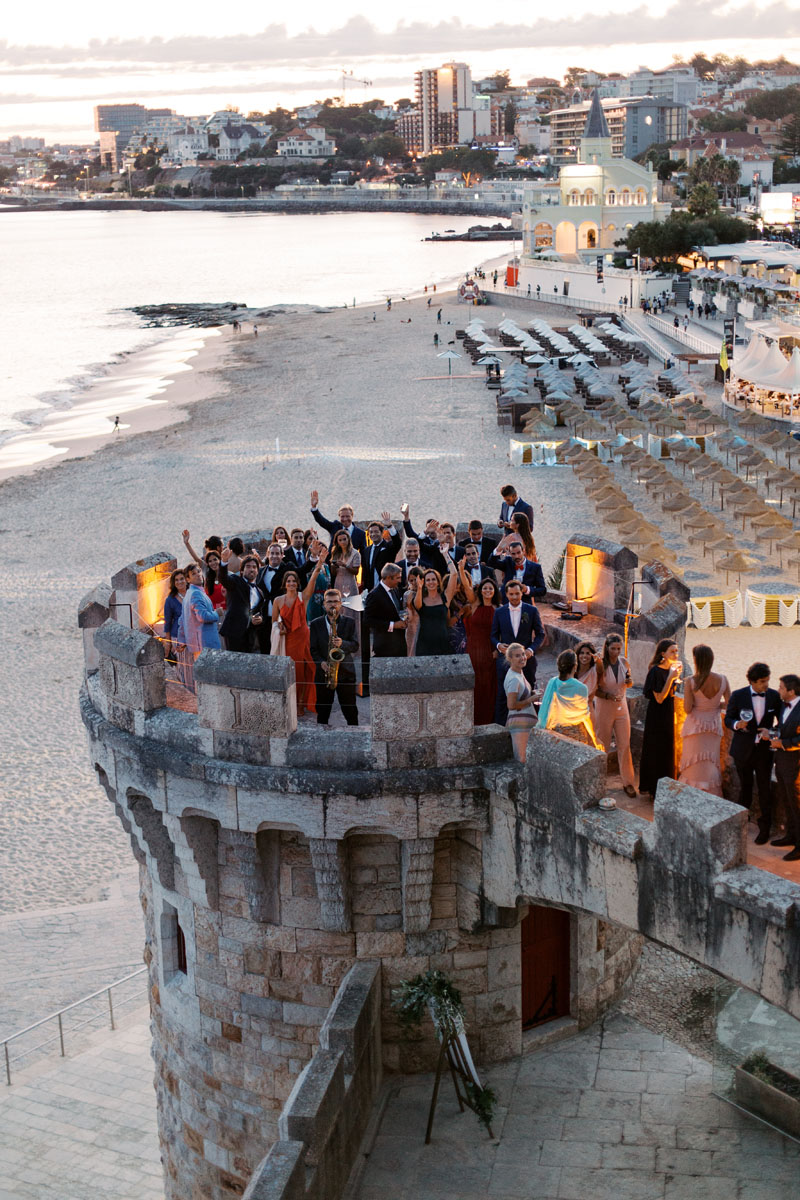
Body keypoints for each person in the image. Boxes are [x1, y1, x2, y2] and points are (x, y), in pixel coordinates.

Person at [724, 662, 781, 842]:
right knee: (745, 788)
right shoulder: (738, 695)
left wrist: (770, 733)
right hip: (743, 750)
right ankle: (741, 822)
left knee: (765, 789)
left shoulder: (774, 696)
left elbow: (782, 723)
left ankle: (765, 828)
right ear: (753, 681)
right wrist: (736, 724)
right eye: (763, 681)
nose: (766, 684)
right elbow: (728, 719)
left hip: (764, 752)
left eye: (767, 681)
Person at [272, 556, 327, 716]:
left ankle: (301, 704)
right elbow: (274, 621)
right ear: (284, 583)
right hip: (288, 640)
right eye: (288, 581)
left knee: (305, 671)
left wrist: (319, 564)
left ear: (297, 583)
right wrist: (279, 626)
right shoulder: (278, 601)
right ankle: (290, 703)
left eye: (294, 581)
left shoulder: (304, 596)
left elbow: (313, 579)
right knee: (291, 672)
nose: (291, 584)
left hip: (303, 639)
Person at [679, 644, 730, 798]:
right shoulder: (723, 679)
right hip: (714, 726)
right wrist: (714, 705)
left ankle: (691, 795)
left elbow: (687, 709)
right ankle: (710, 794)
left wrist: (701, 705)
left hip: (695, 726)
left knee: (693, 762)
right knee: (710, 761)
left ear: (696, 661)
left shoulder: (691, 681)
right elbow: (729, 703)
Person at [491, 580, 545, 725]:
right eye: (511, 594)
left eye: (517, 594)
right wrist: (498, 645)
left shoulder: (531, 610)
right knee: (503, 694)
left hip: (526, 660)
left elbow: (540, 634)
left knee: (529, 692)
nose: (514, 597)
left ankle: (532, 726)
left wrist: (530, 650)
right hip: (505, 661)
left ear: (521, 593)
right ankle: (501, 727)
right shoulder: (499, 612)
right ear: (506, 594)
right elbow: (493, 635)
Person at [593, 633, 637, 798]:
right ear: (607, 647)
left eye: (619, 648)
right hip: (604, 708)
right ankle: (598, 781)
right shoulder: (600, 665)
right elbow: (594, 689)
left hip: (622, 707)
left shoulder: (624, 662)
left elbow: (629, 682)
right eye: (613, 649)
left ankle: (628, 782)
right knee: (602, 745)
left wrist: (629, 682)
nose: (616, 652)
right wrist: (608, 696)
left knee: (624, 745)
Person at [309, 589, 359, 726]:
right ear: (324, 604)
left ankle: (355, 738)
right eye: (329, 602)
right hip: (324, 674)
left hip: (346, 673)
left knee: (350, 711)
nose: (333, 605)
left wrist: (343, 643)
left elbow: (355, 645)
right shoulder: (315, 624)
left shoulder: (350, 622)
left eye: (336, 602)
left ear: (341, 604)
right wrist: (321, 663)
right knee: (323, 711)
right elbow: (312, 649)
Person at [639, 639, 682, 797]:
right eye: (672, 651)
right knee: (656, 749)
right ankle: (653, 789)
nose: (676, 654)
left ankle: (666, 787)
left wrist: (674, 676)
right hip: (657, 714)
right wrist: (671, 677)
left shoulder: (672, 669)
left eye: (677, 651)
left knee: (668, 748)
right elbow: (659, 698)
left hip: (669, 712)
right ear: (663, 654)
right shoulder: (655, 671)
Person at [460, 567, 500, 725]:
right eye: (485, 588)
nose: (488, 590)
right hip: (473, 651)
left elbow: (500, 632)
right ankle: (473, 719)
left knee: (488, 685)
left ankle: (488, 720)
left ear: (494, 591)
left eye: (490, 588)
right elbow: (466, 586)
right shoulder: (474, 604)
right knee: (474, 684)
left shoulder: (498, 608)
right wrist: (461, 569)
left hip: (489, 652)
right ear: (481, 590)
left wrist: (497, 649)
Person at [537, 650, 601, 748]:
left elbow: (546, 709)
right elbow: (585, 717)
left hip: (557, 733)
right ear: (575, 666)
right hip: (577, 733)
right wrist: (594, 737)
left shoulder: (552, 682)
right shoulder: (581, 687)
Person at [768, 674, 800, 860]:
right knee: (787, 802)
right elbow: (782, 726)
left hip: (795, 766)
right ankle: (790, 835)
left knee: (796, 806)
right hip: (780, 762)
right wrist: (771, 733)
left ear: (791, 691)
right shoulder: (783, 705)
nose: (778, 690)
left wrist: (783, 744)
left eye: (781, 687)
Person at [218, 555, 266, 654]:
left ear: (258, 571)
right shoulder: (235, 581)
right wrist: (223, 563)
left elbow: (258, 612)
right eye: (248, 566)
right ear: (242, 570)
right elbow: (223, 578)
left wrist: (260, 619)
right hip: (234, 632)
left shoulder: (259, 592)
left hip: (250, 635)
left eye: (254, 567)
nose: (251, 569)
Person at [182, 563, 222, 675]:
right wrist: (217, 613)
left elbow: (182, 619)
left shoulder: (190, 593)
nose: (198, 575)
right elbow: (202, 616)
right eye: (193, 574)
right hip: (205, 644)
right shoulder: (196, 594)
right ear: (188, 579)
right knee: (210, 675)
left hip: (198, 643)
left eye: (199, 571)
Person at [413, 562, 459, 656]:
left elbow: (454, 574)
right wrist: (419, 588)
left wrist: (445, 554)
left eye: (433, 579)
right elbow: (417, 606)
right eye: (428, 580)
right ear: (424, 583)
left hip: (443, 643)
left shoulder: (445, 597)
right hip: (424, 645)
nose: (431, 582)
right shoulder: (420, 598)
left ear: (438, 582)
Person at [364, 564, 407, 657]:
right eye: (397, 578)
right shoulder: (374, 595)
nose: (400, 581)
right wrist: (393, 625)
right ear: (388, 578)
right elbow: (367, 620)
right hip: (385, 646)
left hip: (399, 644)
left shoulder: (395, 589)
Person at [504, 644, 537, 762]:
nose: (522, 658)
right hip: (520, 726)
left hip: (524, 725)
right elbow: (511, 705)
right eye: (517, 656)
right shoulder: (514, 679)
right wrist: (530, 700)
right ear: (510, 659)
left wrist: (531, 694)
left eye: (523, 654)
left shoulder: (518, 672)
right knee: (522, 760)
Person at [163, 568, 188, 667]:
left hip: (193, 635)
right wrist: (168, 643)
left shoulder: (193, 594)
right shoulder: (170, 600)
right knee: (183, 665)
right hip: (177, 636)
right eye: (176, 580)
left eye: (182, 579)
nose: (179, 582)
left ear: (187, 579)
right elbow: (167, 622)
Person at [329, 529, 361, 602]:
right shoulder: (336, 553)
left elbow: (356, 572)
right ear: (337, 542)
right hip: (338, 583)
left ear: (348, 539)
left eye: (344, 539)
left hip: (350, 583)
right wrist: (333, 566)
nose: (343, 542)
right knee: (339, 607)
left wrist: (345, 565)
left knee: (350, 607)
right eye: (340, 540)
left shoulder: (355, 553)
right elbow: (333, 573)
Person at [401, 566, 425, 656]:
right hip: (411, 628)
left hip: (423, 627)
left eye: (416, 579)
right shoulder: (407, 594)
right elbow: (405, 614)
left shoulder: (426, 593)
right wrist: (408, 605)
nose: (414, 583)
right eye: (411, 580)